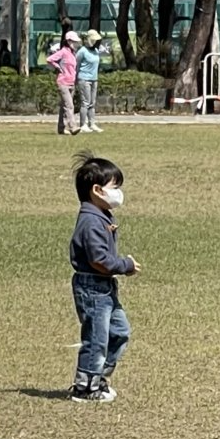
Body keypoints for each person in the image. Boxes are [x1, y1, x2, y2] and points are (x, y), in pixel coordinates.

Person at [68, 153, 136, 402]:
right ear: (97, 190)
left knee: (120, 331)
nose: (118, 193)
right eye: (114, 187)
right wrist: (125, 265)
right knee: (96, 338)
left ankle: (99, 376)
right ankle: (85, 387)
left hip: (105, 287)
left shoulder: (101, 216)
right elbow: (99, 260)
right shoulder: (90, 222)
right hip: (92, 287)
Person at [46, 30, 80, 135]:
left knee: (64, 107)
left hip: (71, 83)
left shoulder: (73, 54)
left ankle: (61, 128)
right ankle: (73, 127)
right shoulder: (63, 52)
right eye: (74, 42)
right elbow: (50, 59)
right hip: (63, 82)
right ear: (68, 41)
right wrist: (58, 67)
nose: (76, 44)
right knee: (69, 106)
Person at [75, 30, 105, 134]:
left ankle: (92, 124)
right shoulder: (82, 51)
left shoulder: (96, 51)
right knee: (85, 103)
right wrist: (76, 78)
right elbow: (76, 64)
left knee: (92, 103)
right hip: (84, 79)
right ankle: (83, 124)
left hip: (94, 79)